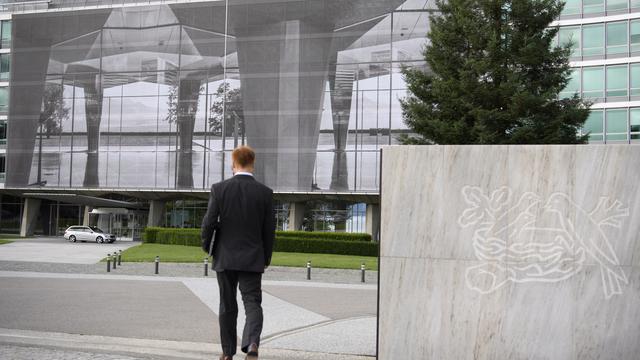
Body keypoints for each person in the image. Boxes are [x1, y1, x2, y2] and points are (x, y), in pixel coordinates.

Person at [201, 146, 275, 360]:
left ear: (233, 164)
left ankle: (227, 352)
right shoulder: (265, 193)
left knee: (227, 304)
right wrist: (266, 257)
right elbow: (269, 230)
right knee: (252, 302)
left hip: (225, 256)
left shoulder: (219, 189)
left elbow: (208, 223)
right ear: (253, 164)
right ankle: (252, 343)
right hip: (252, 258)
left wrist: (208, 247)